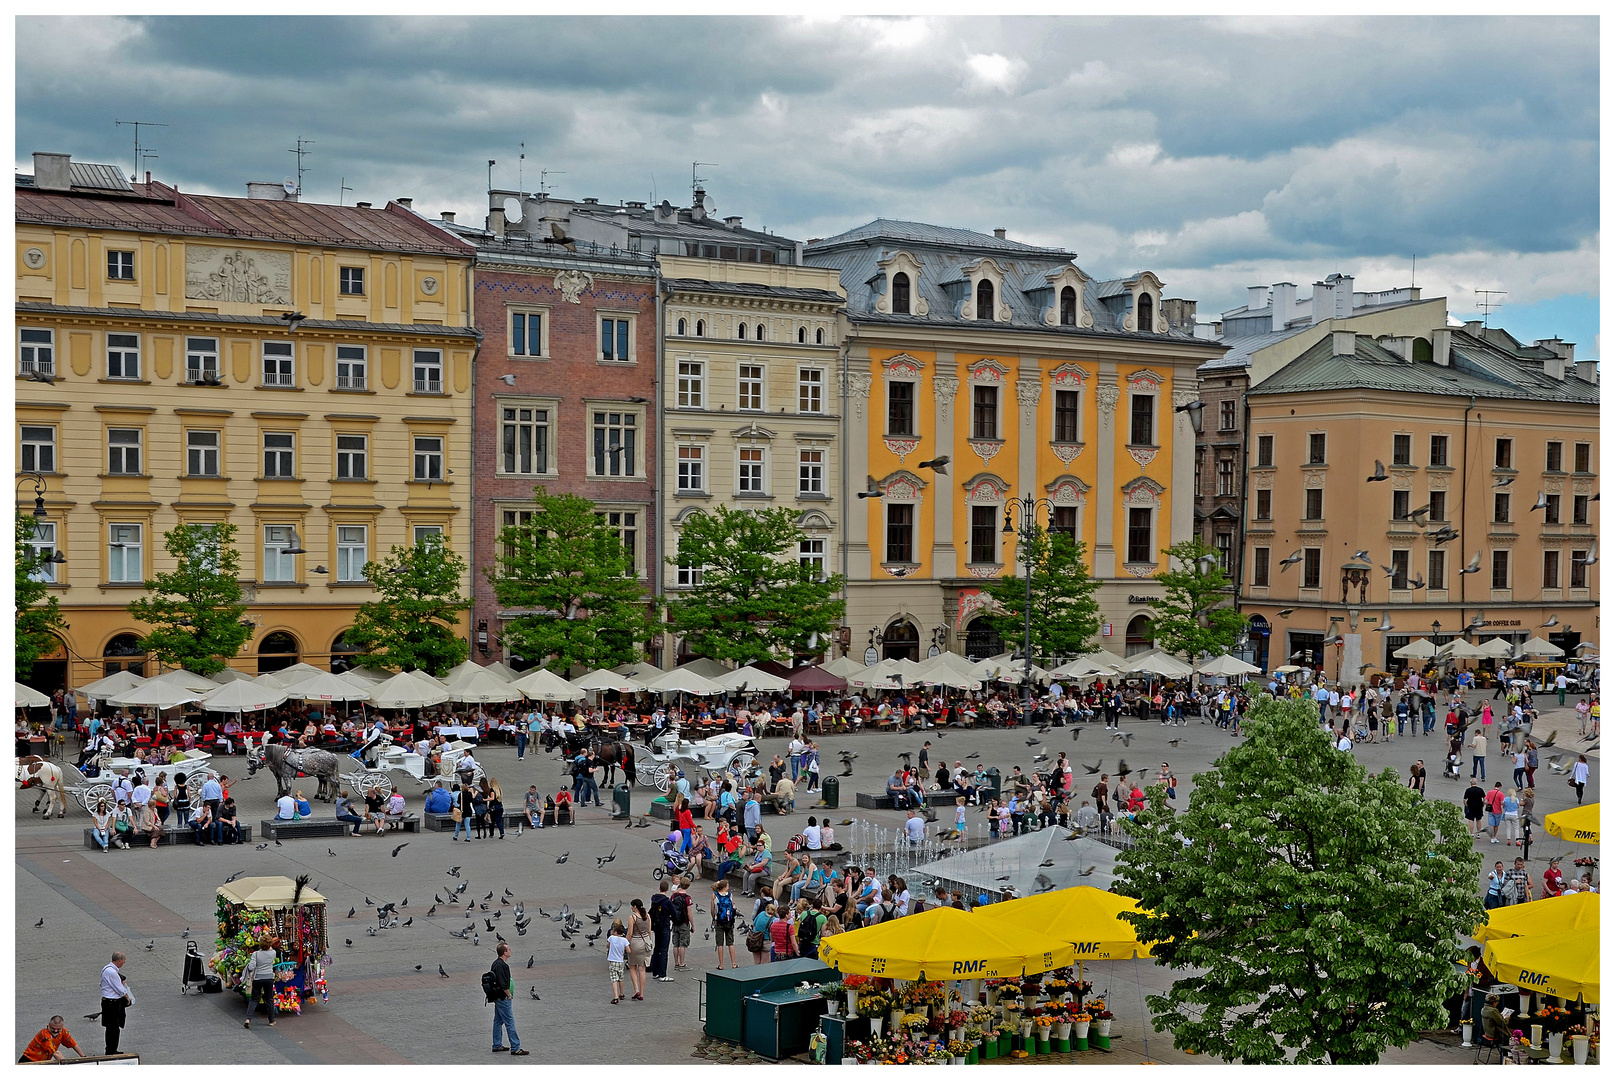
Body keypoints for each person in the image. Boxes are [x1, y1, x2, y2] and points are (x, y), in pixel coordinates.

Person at [489, 942, 527, 1054]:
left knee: (498, 1021)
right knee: (510, 1022)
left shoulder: (496, 963)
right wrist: (508, 994)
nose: (510, 951)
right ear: (504, 953)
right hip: (503, 998)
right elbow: (502, 983)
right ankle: (515, 1047)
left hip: (497, 997)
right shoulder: (502, 965)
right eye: (508, 949)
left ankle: (497, 1044)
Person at [241, 937, 278, 1028]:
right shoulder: (273, 953)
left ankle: (248, 1019)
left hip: (258, 978)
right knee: (269, 999)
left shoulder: (256, 954)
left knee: (254, 999)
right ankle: (271, 1020)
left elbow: (251, 967)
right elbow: (271, 950)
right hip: (269, 977)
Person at [99, 952, 131, 1055]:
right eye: (123, 961)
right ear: (118, 961)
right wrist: (127, 997)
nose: (124, 963)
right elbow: (120, 989)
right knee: (113, 1028)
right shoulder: (111, 972)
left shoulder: (106, 969)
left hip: (108, 1002)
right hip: (112, 1003)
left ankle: (111, 1049)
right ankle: (111, 1050)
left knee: (112, 1028)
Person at [649, 880, 675, 982]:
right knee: (664, 950)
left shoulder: (654, 899)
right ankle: (662, 974)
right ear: (667, 889)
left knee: (657, 948)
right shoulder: (667, 901)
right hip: (664, 926)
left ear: (660, 888)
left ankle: (654, 971)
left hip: (656, 927)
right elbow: (674, 913)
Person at [626, 898, 652, 999]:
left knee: (632, 967)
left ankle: (636, 990)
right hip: (646, 943)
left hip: (635, 943)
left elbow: (629, 933)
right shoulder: (648, 916)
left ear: (635, 906)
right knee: (642, 969)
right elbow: (649, 931)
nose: (631, 908)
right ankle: (642, 993)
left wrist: (626, 944)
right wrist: (648, 941)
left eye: (632, 906)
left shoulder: (632, 917)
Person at [711, 879, 739, 970]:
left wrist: (714, 918)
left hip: (719, 921)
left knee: (720, 944)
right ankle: (734, 963)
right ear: (724, 887)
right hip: (729, 921)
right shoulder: (730, 895)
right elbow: (732, 906)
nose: (728, 887)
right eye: (727, 886)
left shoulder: (714, 895)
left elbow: (712, 910)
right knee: (730, 943)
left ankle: (721, 965)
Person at [669, 878, 694, 972]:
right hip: (684, 922)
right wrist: (692, 925)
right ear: (688, 886)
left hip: (675, 922)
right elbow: (689, 913)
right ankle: (682, 964)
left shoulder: (673, 896)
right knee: (682, 944)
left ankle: (676, 963)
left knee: (676, 943)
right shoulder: (687, 898)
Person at [606, 920, 630, 1004]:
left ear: (615, 931)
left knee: (614, 979)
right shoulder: (624, 940)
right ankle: (622, 993)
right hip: (620, 961)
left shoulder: (611, 938)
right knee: (621, 978)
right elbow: (628, 950)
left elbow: (607, 946)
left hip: (612, 961)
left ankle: (616, 997)